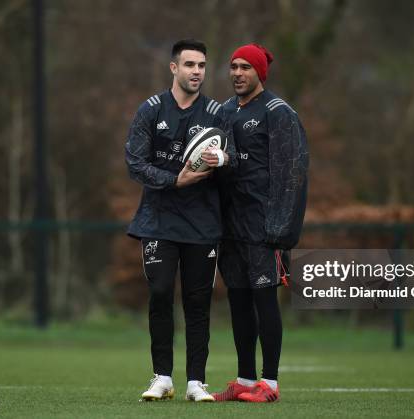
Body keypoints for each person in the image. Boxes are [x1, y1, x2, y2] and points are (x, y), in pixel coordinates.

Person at [125, 39, 235, 402]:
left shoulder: (218, 113)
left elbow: (232, 157)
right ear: (174, 68)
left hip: (202, 223)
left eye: (202, 65)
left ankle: (196, 382)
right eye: (190, 64)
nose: (197, 71)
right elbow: (135, 164)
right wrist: (175, 180)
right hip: (158, 220)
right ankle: (162, 377)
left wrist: (222, 160)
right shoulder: (151, 110)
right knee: (159, 294)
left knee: (198, 301)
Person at [213, 43, 309, 402]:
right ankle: (244, 379)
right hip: (230, 227)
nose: (238, 73)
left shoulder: (278, 112)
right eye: (234, 67)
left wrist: (282, 229)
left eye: (245, 68)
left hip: (264, 227)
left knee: (264, 301)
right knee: (238, 301)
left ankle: (269, 384)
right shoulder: (223, 111)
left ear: (259, 73)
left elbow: (292, 172)